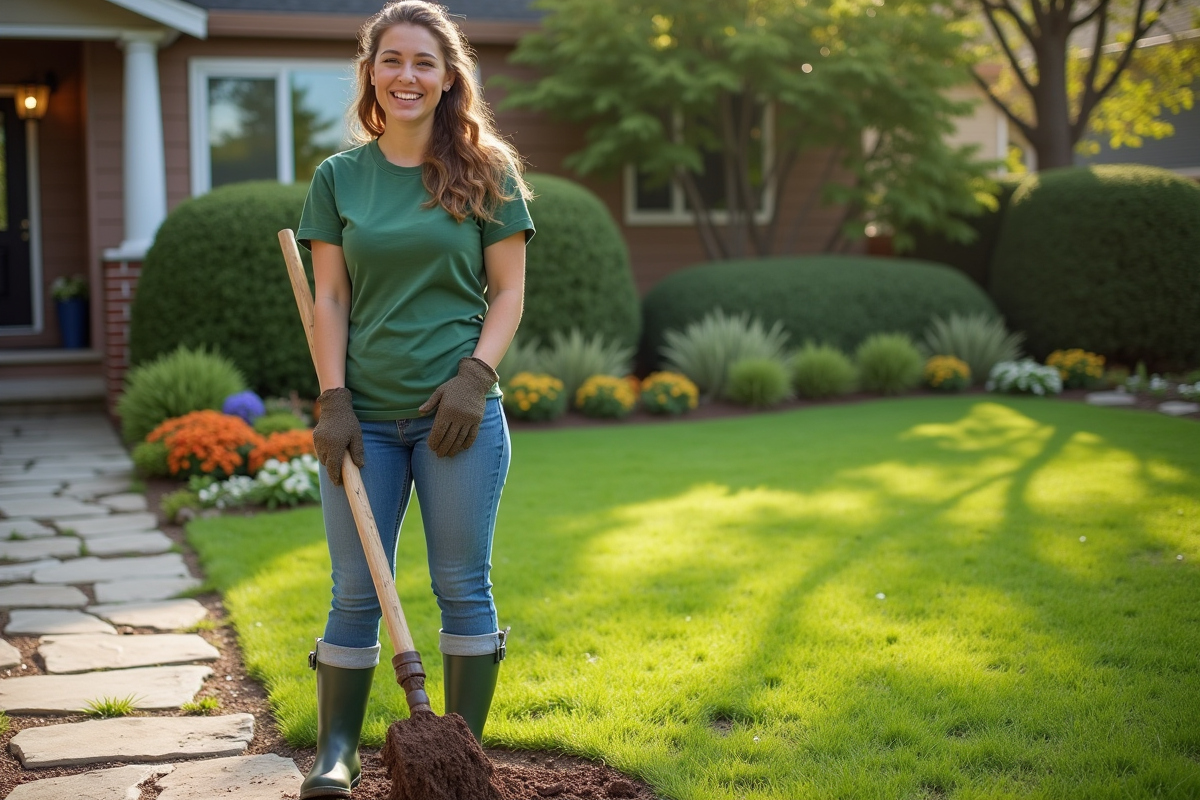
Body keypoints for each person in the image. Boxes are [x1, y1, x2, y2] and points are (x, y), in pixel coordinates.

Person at [295, 1, 534, 796]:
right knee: (355, 588)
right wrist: (334, 399)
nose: (407, 75)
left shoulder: (487, 170)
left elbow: (508, 293)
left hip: (455, 421)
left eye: (423, 62)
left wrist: (476, 379)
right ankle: (337, 749)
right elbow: (327, 298)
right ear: (371, 72)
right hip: (361, 423)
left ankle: (464, 756)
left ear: (447, 76)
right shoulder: (339, 178)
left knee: (463, 582)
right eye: (392, 60)